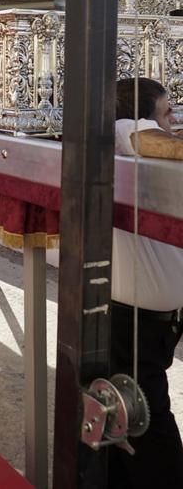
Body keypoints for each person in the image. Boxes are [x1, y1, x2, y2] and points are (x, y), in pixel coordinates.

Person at [110, 77, 183, 488]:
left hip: (156, 320)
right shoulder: (126, 133)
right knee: (148, 424)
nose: (172, 119)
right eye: (166, 111)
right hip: (135, 321)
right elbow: (157, 140)